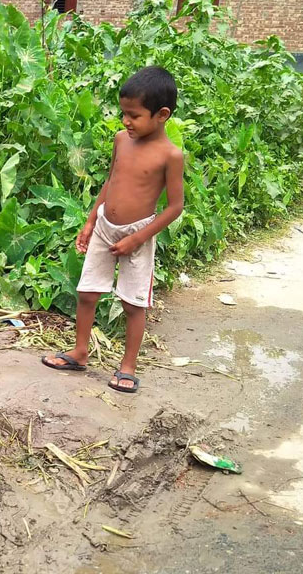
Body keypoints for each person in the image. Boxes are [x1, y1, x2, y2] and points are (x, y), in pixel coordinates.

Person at [41, 66, 184, 393]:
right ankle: (79, 352)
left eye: (133, 116)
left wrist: (138, 237)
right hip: (105, 226)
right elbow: (111, 180)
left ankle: (128, 366)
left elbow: (176, 206)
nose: (125, 122)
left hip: (138, 235)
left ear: (162, 115)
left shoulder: (170, 156)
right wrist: (91, 220)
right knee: (87, 292)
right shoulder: (122, 140)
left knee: (133, 303)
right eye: (123, 114)